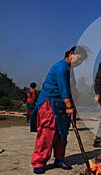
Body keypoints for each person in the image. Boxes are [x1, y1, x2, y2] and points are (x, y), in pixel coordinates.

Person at [30, 46, 87, 174]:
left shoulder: (69, 70)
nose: (79, 63)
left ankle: (59, 159)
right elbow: (63, 88)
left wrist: (74, 102)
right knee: (47, 134)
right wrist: (69, 105)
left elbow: (72, 88)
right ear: (71, 54)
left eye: (82, 61)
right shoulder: (61, 68)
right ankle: (39, 162)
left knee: (62, 133)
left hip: (61, 106)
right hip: (49, 104)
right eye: (79, 59)